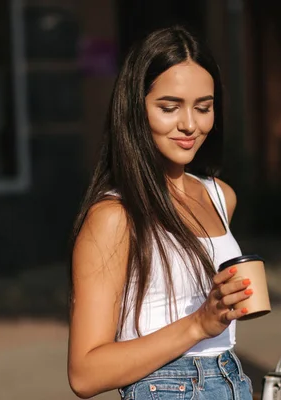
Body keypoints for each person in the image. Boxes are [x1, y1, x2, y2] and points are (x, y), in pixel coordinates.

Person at [67, 26, 254, 400]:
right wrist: (200, 323)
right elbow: (85, 373)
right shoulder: (114, 216)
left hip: (232, 380)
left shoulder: (221, 197)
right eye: (169, 108)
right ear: (136, 108)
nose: (189, 124)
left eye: (204, 107)